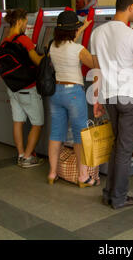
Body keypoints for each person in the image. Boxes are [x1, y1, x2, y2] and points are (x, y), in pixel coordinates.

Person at [91, 0, 133, 209]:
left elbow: (96, 69)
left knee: (116, 146)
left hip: (109, 96)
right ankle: (119, 198)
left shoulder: (97, 32)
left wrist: (96, 99)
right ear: (131, 6)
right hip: (130, 97)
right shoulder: (132, 35)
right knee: (124, 149)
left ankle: (108, 192)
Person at [46, 10, 96, 186]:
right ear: (72, 31)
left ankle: (52, 173)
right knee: (79, 135)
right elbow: (94, 64)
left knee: (55, 134)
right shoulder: (78, 49)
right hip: (74, 93)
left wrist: (82, 28)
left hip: (56, 93)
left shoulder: (53, 45)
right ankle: (83, 176)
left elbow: (69, 42)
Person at [3, 9, 44, 168]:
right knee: (38, 123)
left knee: (18, 121)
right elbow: (37, 61)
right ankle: (28, 157)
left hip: (12, 87)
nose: (27, 25)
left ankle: (20, 154)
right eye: (26, 22)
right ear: (20, 21)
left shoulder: (5, 40)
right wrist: (48, 53)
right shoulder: (23, 39)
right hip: (27, 87)